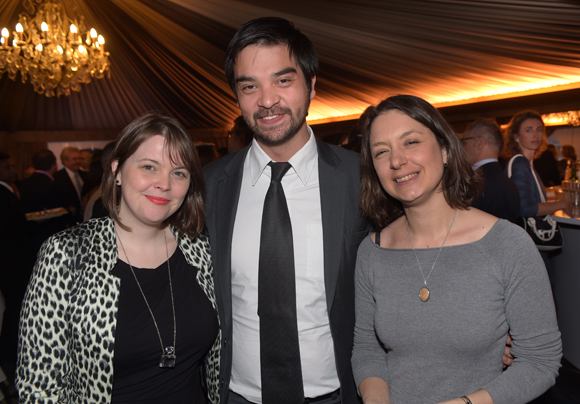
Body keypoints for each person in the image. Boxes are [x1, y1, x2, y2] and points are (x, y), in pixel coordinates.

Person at [352, 95, 562, 404]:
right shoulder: (372, 252)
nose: (396, 161)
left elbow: (540, 362)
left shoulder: (508, 245)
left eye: (410, 142)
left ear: (446, 150)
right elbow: (367, 348)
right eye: (382, 151)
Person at [204, 17, 368, 404]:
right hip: (238, 395)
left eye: (283, 80)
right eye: (249, 86)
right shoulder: (209, 185)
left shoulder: (361, 178)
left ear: (311, 84)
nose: (267, 100)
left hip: (339, 393)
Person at [16, 114, 221, 404]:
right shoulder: (66, 253)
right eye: (149, 167)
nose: (164, 183)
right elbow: (39, 388)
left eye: (179, 172)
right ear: (118, 171)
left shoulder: (200, 248)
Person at [460, 118, 520, 222]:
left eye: (463, 142)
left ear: (479, 143)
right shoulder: (508, 183)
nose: (461, 147)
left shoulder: (476, 184)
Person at [53, 146, 90, 225]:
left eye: (79, 158)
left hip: (85, 219)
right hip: (69, 221)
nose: (78, 161)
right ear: (65, 161)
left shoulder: (85, 175)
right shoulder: (58, 177)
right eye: (74, 159)